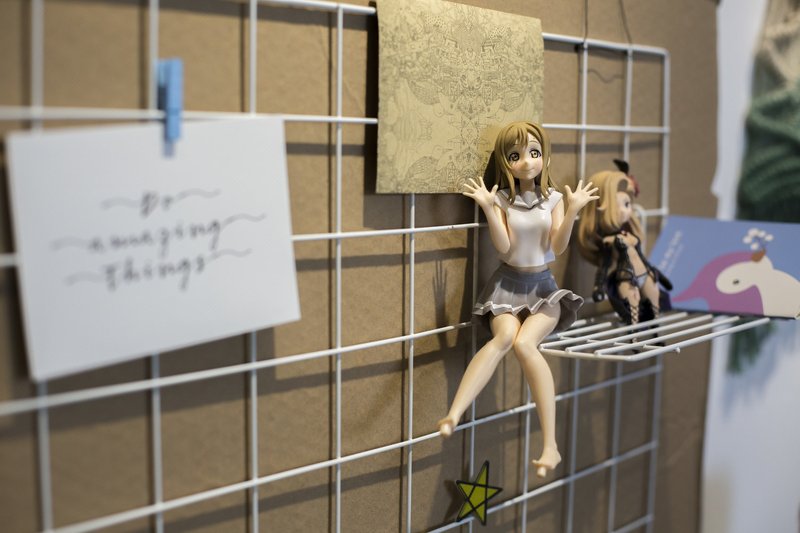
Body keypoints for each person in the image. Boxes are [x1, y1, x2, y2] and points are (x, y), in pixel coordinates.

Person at [438, 121, 598, 478]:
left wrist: (573, 210)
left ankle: (550, 445)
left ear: (545, 157)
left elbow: (557, 247)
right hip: (507, 284)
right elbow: (504, 247)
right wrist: (488, 207)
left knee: (526, 344)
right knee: (504, 337)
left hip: (543, 287)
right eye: (515, 155)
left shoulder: (554, 199)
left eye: (534, 152)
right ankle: (454, 413)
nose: (526, 162)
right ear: (505, 162)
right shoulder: (502, 200)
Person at [576, 167, 671, 325]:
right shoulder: (608, 241)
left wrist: (660, 276)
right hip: (626, 278)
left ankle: (654, 327)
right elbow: (604, 266)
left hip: (644, 274)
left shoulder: (630, 235)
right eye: (616, 205)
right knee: (632, 313)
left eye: (627, 204)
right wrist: (598, 286)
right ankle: (635, 330)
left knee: (654, 307)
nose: (625, 211)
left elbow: (641, 258)